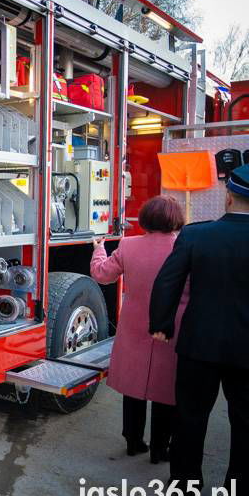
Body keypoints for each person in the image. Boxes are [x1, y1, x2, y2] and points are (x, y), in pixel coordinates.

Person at [150, 165, 249, 496]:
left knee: (190, 416)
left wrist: (162, 325)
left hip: (199, 342)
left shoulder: (196, 235)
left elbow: (167, 282)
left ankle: (185, 486)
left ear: (228, 195)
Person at [90, 195, 187, 463]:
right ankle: (160, 448)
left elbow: (102, 274)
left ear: (145, 218)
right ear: (175, 219)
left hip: (134, 324)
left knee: (135, 387)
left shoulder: (128, 245)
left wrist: (99, 248)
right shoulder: (184, 247)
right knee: (165, 390)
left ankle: (133, 441)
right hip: (172, 325)